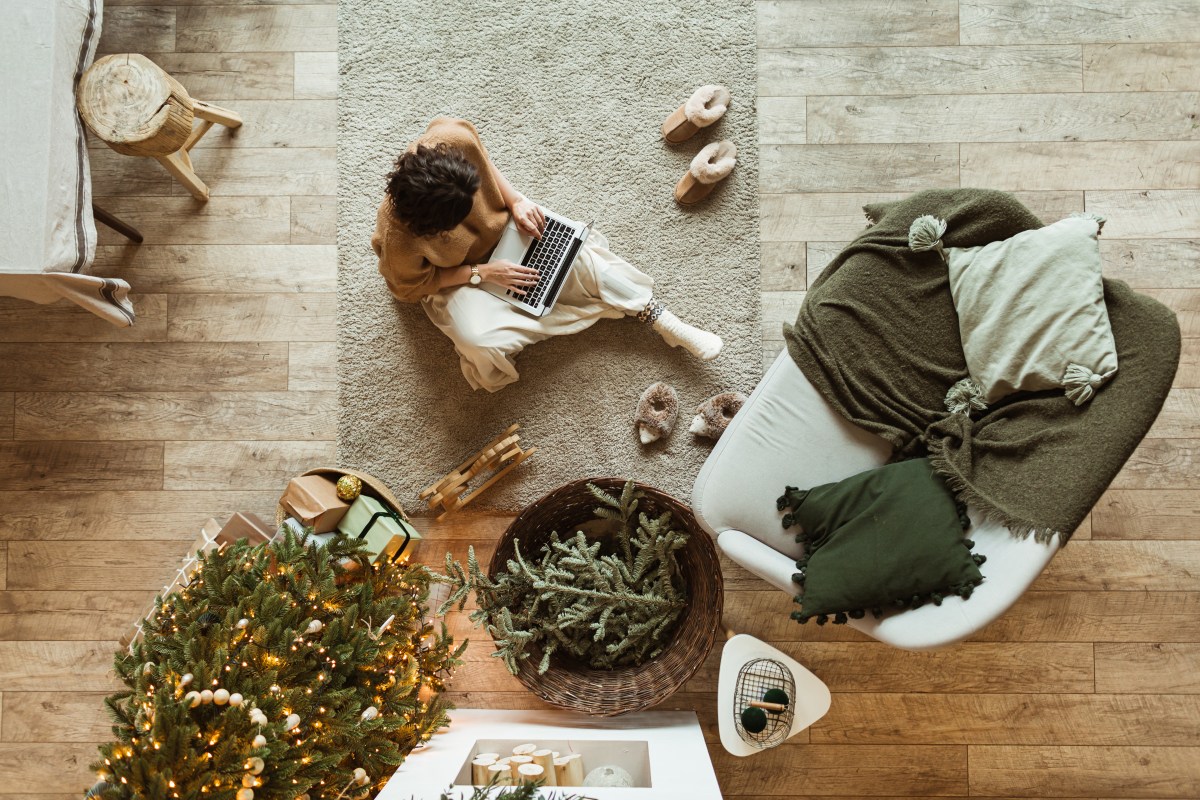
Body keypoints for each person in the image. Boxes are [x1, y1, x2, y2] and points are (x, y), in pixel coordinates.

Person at [371, 116, 723, 392]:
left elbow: (487, 165)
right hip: (461, 277)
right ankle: (585, 304)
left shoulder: (453, 140)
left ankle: (657, 316)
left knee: (577, 256)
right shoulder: (399, 238)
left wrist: (517, 201)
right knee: (482, 341)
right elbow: (410, 290)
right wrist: (482, 273)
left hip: (510, 230)